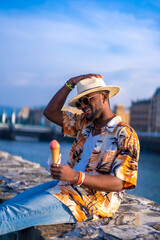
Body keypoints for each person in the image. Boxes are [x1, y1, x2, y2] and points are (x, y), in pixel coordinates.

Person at [0, 74, 140, 236]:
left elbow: (120, 182)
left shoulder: (125, 134)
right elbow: (50, 112)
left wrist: (76, 176)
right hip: (65, 187)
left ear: (104, 97)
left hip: (88, 202)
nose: (83, 106)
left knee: (9, 215)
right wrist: (71, 83)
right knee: (8, 206)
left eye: (87, 100)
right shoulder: (84, 124)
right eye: (80, 103)